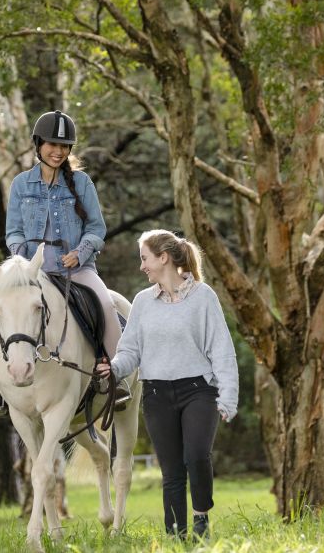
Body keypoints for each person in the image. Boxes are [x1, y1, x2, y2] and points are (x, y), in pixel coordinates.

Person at [0, 110, 128, 413]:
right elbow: (14, 231)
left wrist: (81, 252)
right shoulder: (21, 184)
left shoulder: (81, 183)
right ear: (38, 144)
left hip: (76, 268)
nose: (58, 152)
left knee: (105, 305)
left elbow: (97, 228)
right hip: (34, 273)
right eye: (51, 145)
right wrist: (23, 260)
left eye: (64, 147)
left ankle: (116, 378)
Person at [95, 229, 238, 540]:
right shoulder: (143, 302)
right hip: (158, 393)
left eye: (145, 258)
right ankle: (175, 537)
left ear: (164, 258)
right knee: (172, 471)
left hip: (199, 390)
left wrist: (228, 397)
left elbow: (221, 349)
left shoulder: (203, 297)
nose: (142, 266)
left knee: (197, 456)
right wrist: (115, 368)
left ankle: (201, 520)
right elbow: (130, 350)